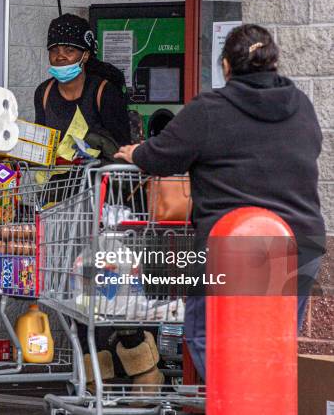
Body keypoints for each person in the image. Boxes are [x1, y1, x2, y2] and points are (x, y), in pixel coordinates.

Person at [113, 24, 325, 380]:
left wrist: (136, 152)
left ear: (226, 66)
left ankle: (239, 403)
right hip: (300, 243)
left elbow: (163, 155)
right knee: (275, 342)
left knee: (204, 334)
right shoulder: (301, 105)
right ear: (274, 63)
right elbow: (311, 148)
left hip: (234, 247)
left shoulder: (211, 109)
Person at [35, 13, 137, 159]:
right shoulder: (43, 92)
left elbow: (121, 147)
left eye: (69, 50)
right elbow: (39, 145)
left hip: (97, 179)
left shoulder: (104, 92)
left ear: (86, 55)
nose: (60, 56)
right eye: (54, 50)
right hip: (55, 181)